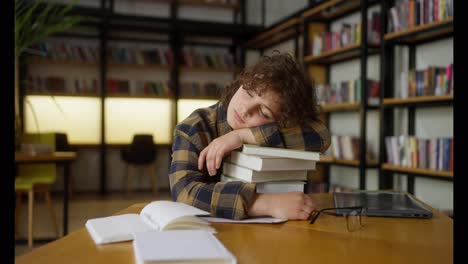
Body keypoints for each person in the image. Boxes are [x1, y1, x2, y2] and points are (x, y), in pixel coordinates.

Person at [169, 51, 331, 220]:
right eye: (248, 92)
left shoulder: (277, 127)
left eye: (263, 112)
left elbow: (322, 136)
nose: (245, 109)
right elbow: (184, 194)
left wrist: (242, 136)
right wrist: (266, 203)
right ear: (242, 83)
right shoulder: (194, 127)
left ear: (282, 122)